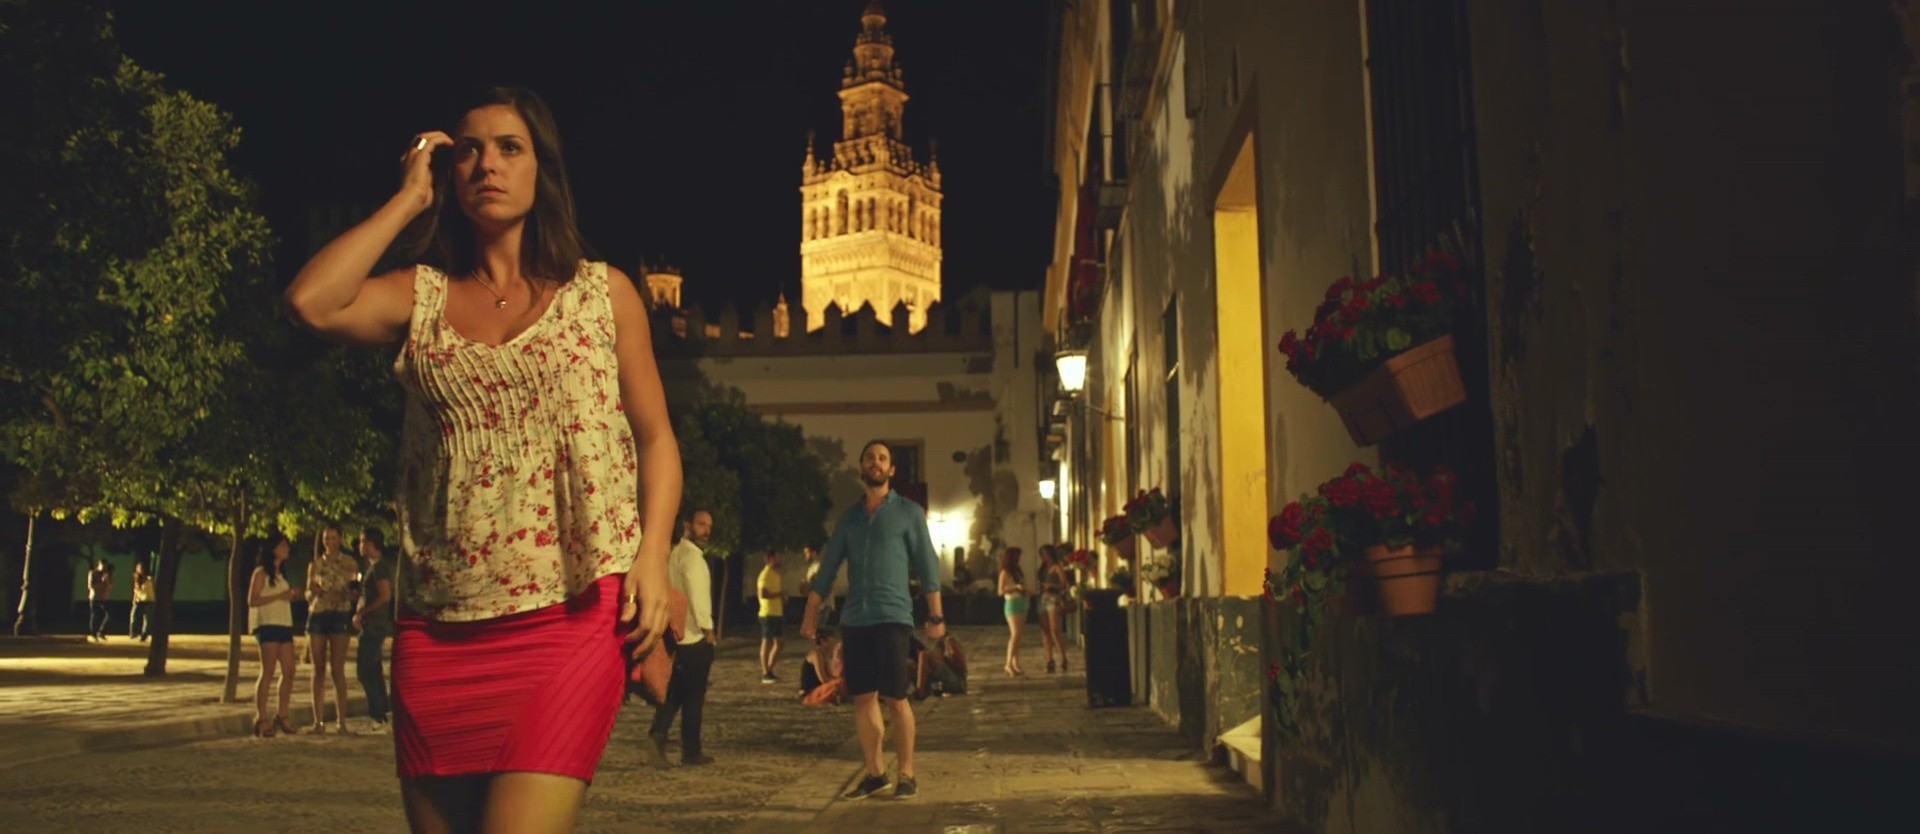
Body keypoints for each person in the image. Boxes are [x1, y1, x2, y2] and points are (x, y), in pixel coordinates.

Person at [285, 85, 680, 833]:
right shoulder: (422, 299)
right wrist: (409, 199)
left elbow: (656, 437)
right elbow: (312, 303)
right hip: (438, 625)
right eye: (468, 150)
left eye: (509, 148)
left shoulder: (603, 296)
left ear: (542, 170)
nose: (486, 164)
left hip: (572, 615)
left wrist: (653, 556)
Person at [800, 439, 946, 801]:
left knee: (896, 697)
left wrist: (936, 615)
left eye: (882, 458)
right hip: (856, 619)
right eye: (869, 458)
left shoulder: (909, 513)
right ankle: (876, 773)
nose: (875, 462)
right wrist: (810, 614)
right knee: (863, 698)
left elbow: (927, 564)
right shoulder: (849, 519)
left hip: (893, 616)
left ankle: (907, 774)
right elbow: (828, 569)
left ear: (891, 469)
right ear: (862, 467)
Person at [648, 510, 717, 768]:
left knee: (675, 692)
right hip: (694, 637)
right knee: (694, 698)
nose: (706, 530)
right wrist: (709, 633)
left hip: (674, 635)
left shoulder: (675, 554)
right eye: (701, 524)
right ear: (688, 525)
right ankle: (691, 750)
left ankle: (657, 734)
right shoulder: (693, 559)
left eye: (709, 526)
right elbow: (699, 601)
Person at [304, 524, 358, 735]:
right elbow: (308, 593)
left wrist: (346, 594)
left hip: (339, 614)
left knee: (338, 669)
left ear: (340, 539)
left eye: (333, 538)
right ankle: (318, 722)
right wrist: (313, 592)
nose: (330, 542)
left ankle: (341, 722)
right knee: (318, 669)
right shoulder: (315, 564)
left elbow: (355, 591)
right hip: (319, 614)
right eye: (327, 538)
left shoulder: (349, 563)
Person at [248, 534, 303, 737]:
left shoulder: (281, 574)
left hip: (284, 624)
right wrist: (280, 596)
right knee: (268, 671)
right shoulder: (260, 573)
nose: (286, 548)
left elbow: (280, 597)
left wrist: (290, 596)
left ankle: (282, 714)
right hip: (268, 625)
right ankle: (261, 717)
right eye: (282, 545)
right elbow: (252, 600)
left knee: (289, 670)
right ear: (272, 549)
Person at [353, 528, 395, 733]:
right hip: (372, 623)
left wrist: (363, 612)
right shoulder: (373, 567)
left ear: (371, 544)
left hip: (375, 624)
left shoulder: (379, 568)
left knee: (365, 670)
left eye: (363, 542)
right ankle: (382, 713)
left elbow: (385, 596)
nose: (360, 546)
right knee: (374, 669)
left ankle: (378, 715)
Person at [1037, 545, 1070, 674]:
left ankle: (1063, 657)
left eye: (1046, 554)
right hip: (1043, 599)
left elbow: (1064, 584)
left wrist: (1052, 586)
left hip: (1053, 599)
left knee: (1055, 631)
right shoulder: (1043, 569)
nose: (1044, 557)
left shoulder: (1057, 567)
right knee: (1045, 631)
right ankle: (1049, 659)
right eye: (1042, 555)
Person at [998, 547, 1028, 676]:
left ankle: (1015, 663)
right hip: (1012, 603)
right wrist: (1015, 587)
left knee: (1019, 635)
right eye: (1016, 556)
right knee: (1015, 634)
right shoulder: (1005, 572)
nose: (1018, 559)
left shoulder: (1017, 571)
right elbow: (1000, 591)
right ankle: (1008, 663)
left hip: (1021, 601)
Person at [912, 631, 968, 700]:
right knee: (913, 666)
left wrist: (943, 659)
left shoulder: (949, 641)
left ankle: (920, 692)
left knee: (924, 655)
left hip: (958, 682)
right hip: (943, 681)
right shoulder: (938, 644)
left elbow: (963, 668)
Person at [757, 548, 785, 684]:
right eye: (777, 557)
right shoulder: (765, 574)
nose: (780, 559)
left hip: (776, 613)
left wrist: (781, 597)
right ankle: (765, 673)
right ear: (771, 558)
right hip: (768, 613)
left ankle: (769, 670)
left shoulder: (775, 575)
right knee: (767, 642)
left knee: (779, 643)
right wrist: (780, 594)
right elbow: (762, 594)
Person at [798, 626, 844, 706]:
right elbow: (823, 679)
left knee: (843, 681)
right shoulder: (816, 655)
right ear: (823, 641)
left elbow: (829, 675)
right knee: (838, 684)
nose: (834, 642)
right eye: (831, 639)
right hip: (809, 692)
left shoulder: (824, 654)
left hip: (819, 689)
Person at [85, 560, 113, 642]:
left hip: (104, 597)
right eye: (103, 565)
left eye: (105, 566)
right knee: (95, 615)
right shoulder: (93, 573)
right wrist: (101, 582)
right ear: (99, 565)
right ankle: (93, 634)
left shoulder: (106, 574)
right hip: (95, 597)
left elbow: (110, 585)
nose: (104, 568)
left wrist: (107, 580)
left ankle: (101, 632)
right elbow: (90, 586)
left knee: (109, 614)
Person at [128, 560, 154, 641]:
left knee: (147, 619)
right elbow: (135, 591)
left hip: (148, 600)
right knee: (133, 616)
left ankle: (144, 634)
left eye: (142, 568)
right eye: (139, 568)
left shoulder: (149, 579)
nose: (141, 570)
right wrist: (134, 599)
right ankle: (133, 632)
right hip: (138, 600)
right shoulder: (136, 579)